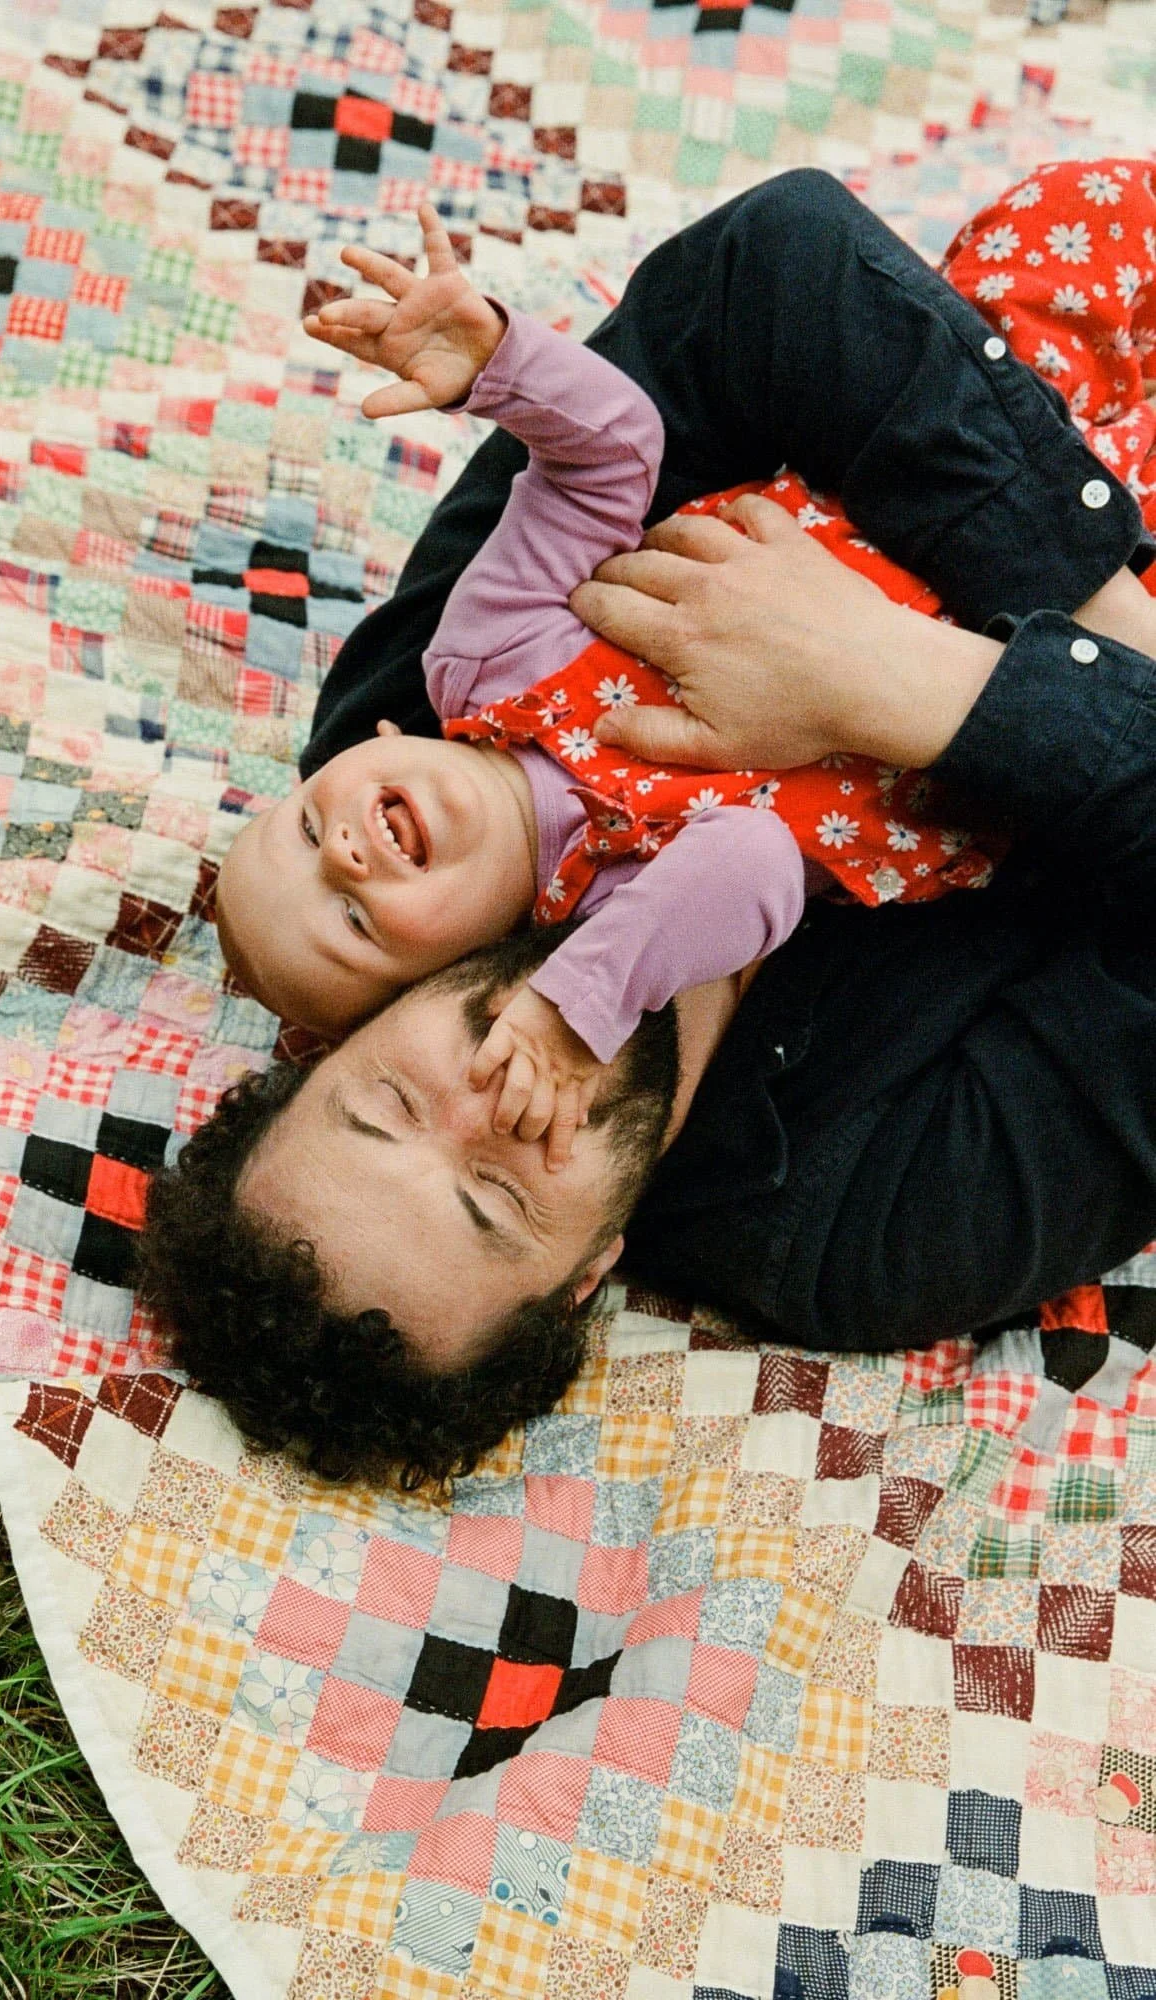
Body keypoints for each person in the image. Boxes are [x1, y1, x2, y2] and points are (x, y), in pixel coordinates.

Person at [138, 166, 1156, 1487]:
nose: (480, 1106)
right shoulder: (861, 1225)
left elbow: (774, 274)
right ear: (583, 1281)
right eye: (497, 1201)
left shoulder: (419, 758)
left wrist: (1102, 622)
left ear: (328, 1043)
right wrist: (898, 685)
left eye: (387, 1102)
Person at [217, 206, 1005, 1164]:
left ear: (378, 739)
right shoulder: (612, 906)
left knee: (1078, 228)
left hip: (929, 498)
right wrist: (580, 1001)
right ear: (451, 978)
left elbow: (611, 458)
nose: (342, 852)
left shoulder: (484, 660)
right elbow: (755, 863)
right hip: (1016, 672)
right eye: (352, 922)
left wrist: (500, 370)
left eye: (305, 825)